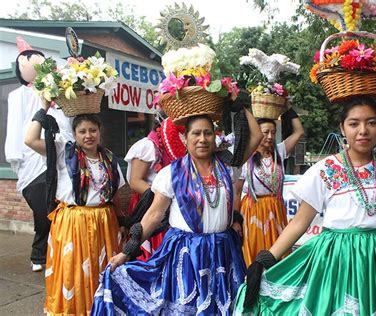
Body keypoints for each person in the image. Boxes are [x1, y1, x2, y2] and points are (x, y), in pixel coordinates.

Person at [234, 66, 376, 315]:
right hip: (340, 261)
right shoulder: (325, 169)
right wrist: (267, 258)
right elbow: (299, 223)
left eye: (371, 123)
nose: (363, 131)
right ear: (342, 128)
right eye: (354, 123)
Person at [91, 107, 263, 315]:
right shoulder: (171, 174)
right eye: (196, 133)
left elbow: (256, 135)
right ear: (184, 138)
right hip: (187, 253)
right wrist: (126, 253)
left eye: (207, 133)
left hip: (223, 250)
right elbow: (154, 215)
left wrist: (234, 102)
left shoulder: (227, 168)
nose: (202, 139)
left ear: (215, 136)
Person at [24, 99, 126, 315]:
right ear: (75, 134)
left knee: (101, 271)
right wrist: (43, 107)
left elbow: (115, 195)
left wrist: (122, 223)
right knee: (74, 273)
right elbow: (30, 140)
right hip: (73, 223)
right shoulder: (63, 152)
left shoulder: (109, 159)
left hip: (104, 223)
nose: (88, 135)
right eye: (82, 131)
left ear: (100, 132)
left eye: (92, 130)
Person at [5, 46, 73, 272]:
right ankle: (39, 254)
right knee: (43, 212)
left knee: (60, 211)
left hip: (59, 156)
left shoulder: (57, 92)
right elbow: (16, 129)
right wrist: (16, 158)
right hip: (32, 161)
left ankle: (54, 253)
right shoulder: (18, 95)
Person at [233, 110, 304, 265]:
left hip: (276, 209)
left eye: (273, 132)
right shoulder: (246, 157)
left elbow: (299, 131)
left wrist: (288, 108)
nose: (270, 136)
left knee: (279, 249)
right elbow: (237, 191)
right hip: (253, 210)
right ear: (257, 134)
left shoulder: (279, 151)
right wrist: (235, 219)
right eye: (265, 132)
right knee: (253, 248)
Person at [124, 115, 186, 260]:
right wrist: (162, 197)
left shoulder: (180, 144)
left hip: (167, 205)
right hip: (149, 202)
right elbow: (135, 181)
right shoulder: (148, 146)